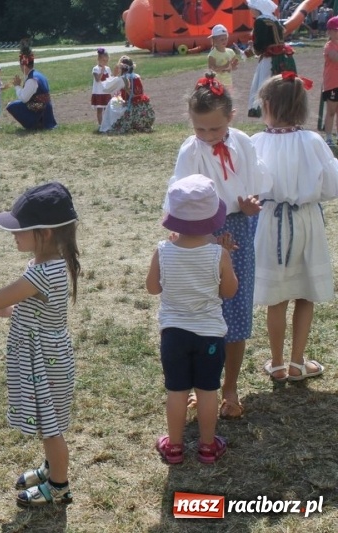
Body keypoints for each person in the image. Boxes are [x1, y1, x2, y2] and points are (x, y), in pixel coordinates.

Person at [0, 181, 79, 507]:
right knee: (47, 422)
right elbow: (19, 306)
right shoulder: (45, 263)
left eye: (19, 229)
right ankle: (51, 468)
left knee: (51, 428)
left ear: (45, 233)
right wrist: (8, 309)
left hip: (46, 361)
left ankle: (59, 486)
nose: (13, 234)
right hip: (45, 356)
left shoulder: (44, 271)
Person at [170, 74, 270, 420]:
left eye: (215, 128)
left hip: (238, 228)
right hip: (199, 232)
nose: (208, 135)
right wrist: (196, 234)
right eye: (200, 129)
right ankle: (203, 385)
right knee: (201, 310)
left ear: (231, 116)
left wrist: (251, 204)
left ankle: (230, 386)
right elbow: (180, 193)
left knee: (235, 308)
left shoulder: (242, 142)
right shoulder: (191, 149)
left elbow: (256, 183)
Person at [251, 73, 338, 383]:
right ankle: (297, 362)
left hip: (271, 222)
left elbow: (249, 185)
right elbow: (331, 185)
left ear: (267, 105)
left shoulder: (256, 142)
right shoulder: (312, 141)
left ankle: (277, 363)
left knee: (277, 297)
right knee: (304, 293)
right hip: (306, 221)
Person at [148, 174, 238, 465]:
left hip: (173, 334)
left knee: (176, 390)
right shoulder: (219, 254)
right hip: (209, 334)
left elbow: (152, 288)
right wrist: (226, 260)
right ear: (213, 218)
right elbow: (229, 291)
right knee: (208, 390)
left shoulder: (163, 251)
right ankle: (208, 446)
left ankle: (174, 447)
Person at [246, 0, 296, 117]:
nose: (250, 10)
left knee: (266, 88)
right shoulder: (274, 20)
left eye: (251, 7)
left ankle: (269, 116)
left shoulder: (260, 21)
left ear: (256, 8)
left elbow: (260, 46)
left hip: (269, 59)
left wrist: (252, 48)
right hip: (282, 58)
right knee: (278, 87)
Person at [98, 55, 155, 134]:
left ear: (122, 68)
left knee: (113, 102)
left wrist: (114, 75)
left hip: (131, 109)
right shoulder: (137, 76)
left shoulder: (123, 78)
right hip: (144, 109)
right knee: (118, 99)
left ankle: (108, 125)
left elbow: (106, 88)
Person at [6, 46, 57, 130]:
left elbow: (24, 99)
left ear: (24, 66)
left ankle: (36, 124)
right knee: (17, 103)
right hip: (45, 107)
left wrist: (17, 86)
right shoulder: (39, 75)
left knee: (11, 105)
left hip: (39, 109)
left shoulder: (32, 80)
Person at [208, 24, 239, 90]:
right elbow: (212, 70)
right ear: (214, 40)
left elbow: (234, 67)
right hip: (216, 84)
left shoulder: (230, 52)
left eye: (225, 39)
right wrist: (225, 66)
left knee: (229, 96)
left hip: (228, 83)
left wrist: (233, 66)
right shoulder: (212, 55)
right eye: (222, 39)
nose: (224, 41)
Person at [323, 16, 338, 146]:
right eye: (336, 30)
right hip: (332, 83)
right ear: (330, 31)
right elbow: (335, 58)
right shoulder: (329, 46)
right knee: (331, 111)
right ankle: (328, 137)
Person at [91, 48, 112, 127]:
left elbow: (110, 79)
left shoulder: (108, 69)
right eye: (103, 60)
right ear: (99, 59)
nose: (105, 62)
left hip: (106, 92)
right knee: (99, 110)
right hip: (98, 92)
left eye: (106, 61)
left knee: (107, 109)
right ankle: (100, 125)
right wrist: (102, 71)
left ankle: (107, 124)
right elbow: (97, 79)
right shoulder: (95, 69)